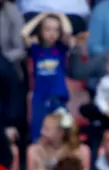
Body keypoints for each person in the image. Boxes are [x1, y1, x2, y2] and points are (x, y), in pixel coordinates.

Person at [21, 12, 72, 142]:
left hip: (58, 97)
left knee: (63, 130)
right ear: (41, 31)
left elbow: (68, 32)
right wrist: (42, 16)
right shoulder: (36, 49)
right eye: (47, 29)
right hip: (40, 98)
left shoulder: (61, 48)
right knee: (38, 133)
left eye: (56, 30)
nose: (52, 33)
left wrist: (60, 15)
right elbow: (23, 34)